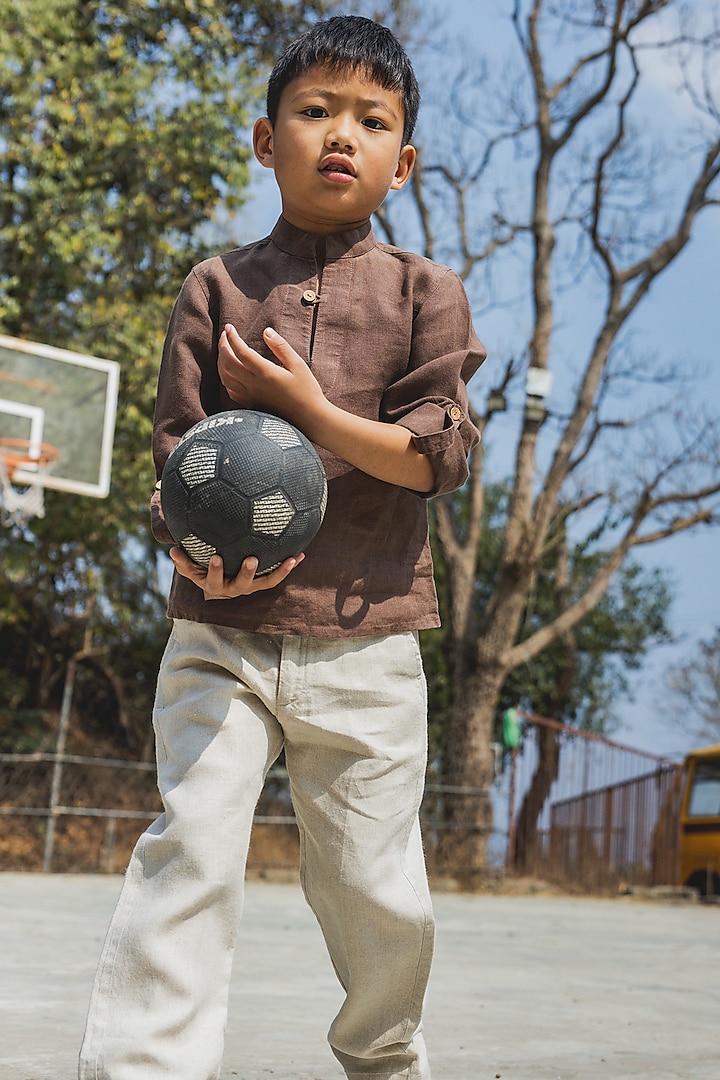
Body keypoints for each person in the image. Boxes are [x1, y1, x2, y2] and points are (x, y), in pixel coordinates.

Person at [79, 15, 486, 1080]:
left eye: (370, 120)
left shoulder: (423, 295)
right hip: (223, 632)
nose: (338, 135)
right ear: (268, 141)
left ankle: (384, 1056)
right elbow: (176, 460)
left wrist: (310, 413)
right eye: (314, 112)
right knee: (191, 852)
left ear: (403, 162)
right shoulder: (216, 290)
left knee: (373, 891)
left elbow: (436, 455)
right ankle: (142, 1069)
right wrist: (190, 553)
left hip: (368, 638)